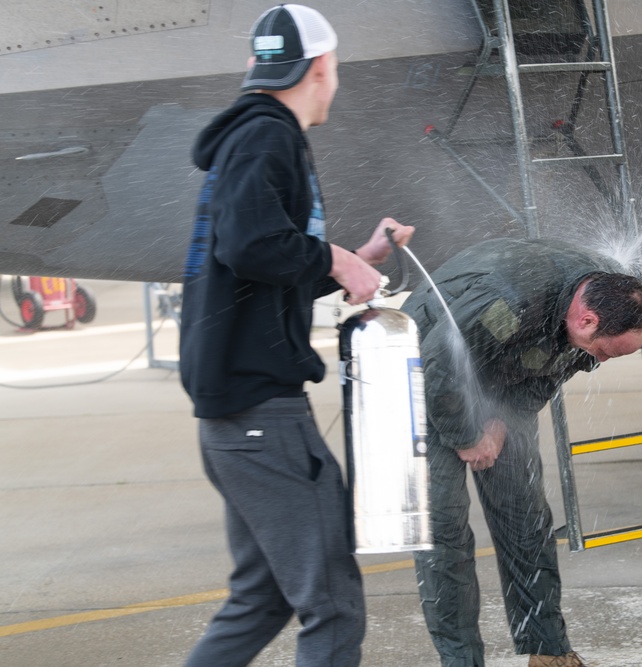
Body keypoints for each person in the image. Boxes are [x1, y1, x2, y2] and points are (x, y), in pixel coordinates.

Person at [178, 5, 414, 665]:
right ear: (320, 68)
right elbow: (252, 243)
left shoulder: (247, 137)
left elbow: (258, 268)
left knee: (261, 597)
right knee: (333, 607)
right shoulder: (267, 135)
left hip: (235, 417)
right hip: (262, 415)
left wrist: (358, 255)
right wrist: (335, 257)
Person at [401, 237, 642, 667]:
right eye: (604, 353)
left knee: (526, 519)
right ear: (588, 320)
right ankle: (461, 661)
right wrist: (467, 436)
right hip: (422, 376)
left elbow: (546, 374)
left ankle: (548, 651)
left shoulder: (608, 294)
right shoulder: (512, 300)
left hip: (493, 372)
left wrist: (501, 422)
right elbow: (440, 366)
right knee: (444, 532)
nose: (602, 361)